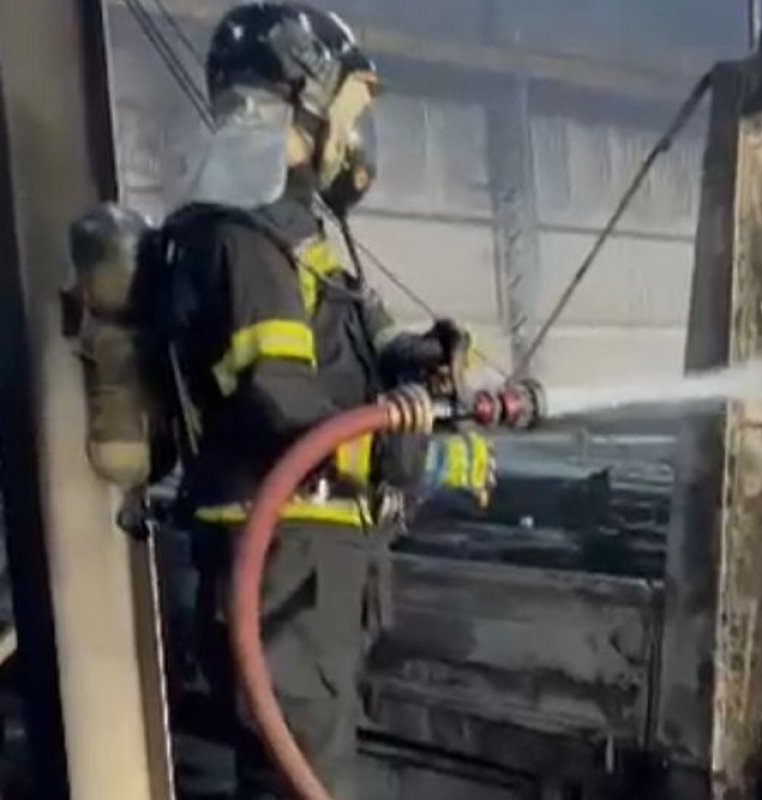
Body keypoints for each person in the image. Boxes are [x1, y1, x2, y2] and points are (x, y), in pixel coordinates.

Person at [137, 4, 495, 797]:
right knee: (298, 779)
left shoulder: (287, 231)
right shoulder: (239, 235)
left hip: (307, 566)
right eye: (352, 110)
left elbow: (343, 351)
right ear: (301, 96)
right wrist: (425, 456)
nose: (356, 135)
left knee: (308, 765)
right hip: (284, 562)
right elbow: (280, 403)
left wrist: (418, 357)